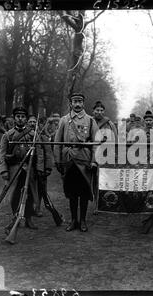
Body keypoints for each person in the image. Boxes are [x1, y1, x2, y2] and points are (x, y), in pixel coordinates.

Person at [54, 92, 100, 232]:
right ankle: (74, 220)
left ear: (83, 103)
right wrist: (58, 161)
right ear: (71, 103)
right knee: (72, 192)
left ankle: (83, 221)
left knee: (84, 192)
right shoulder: (64, 120)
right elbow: (57, 142)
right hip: (69, 160)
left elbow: (96, 143)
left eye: (80, 101)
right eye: (75, 101)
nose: (78, 104)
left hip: (85, 161)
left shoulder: (91, 121)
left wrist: (94, 161)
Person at [0, 107, 43, 231]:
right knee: (14, 195)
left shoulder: (33, 135)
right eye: (18, 116)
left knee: (29, 195)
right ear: (14, 118)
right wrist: (3, 170)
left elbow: (40, 153)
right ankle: (15, 217)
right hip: (14, 170)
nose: (20, 119)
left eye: (23, 116)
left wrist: (39, 168)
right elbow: (1, 155)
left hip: (29, 169)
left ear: (26, 119)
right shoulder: (7, 135)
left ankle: (29, 218)